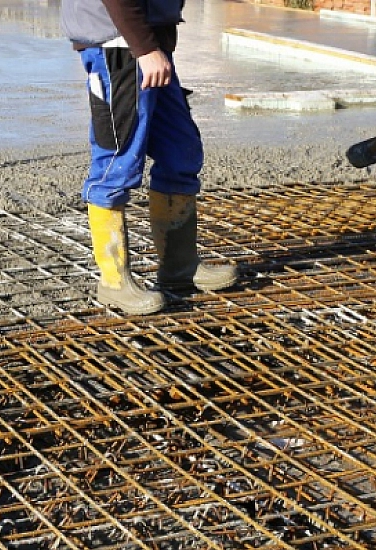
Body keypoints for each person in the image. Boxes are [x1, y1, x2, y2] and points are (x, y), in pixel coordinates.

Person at [60, 0, 239, 315]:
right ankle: (114, 283)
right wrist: (143, 48)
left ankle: (179, 266)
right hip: (119, 46)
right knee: (117, 159)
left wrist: (154, 44)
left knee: (180, 152)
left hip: (147, 43)